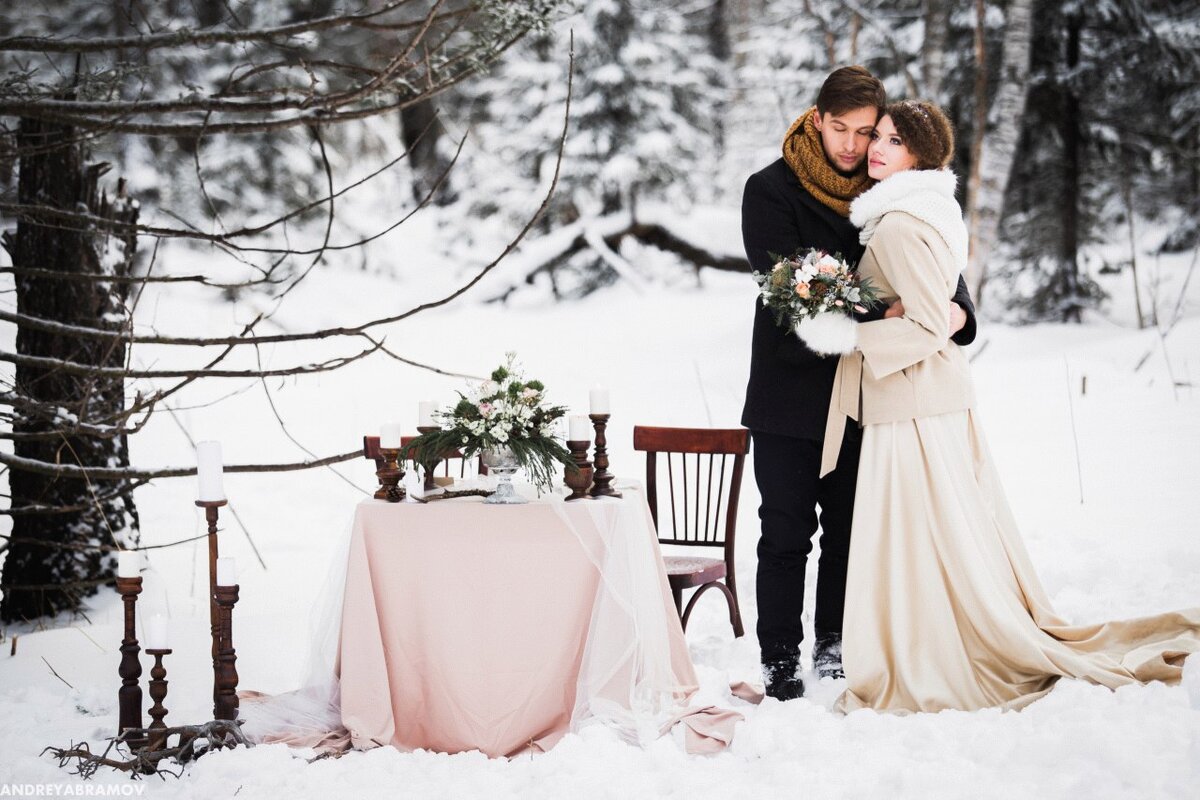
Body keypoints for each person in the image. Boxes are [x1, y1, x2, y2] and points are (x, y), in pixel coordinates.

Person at [805, 100, 1200, 712]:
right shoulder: (927, 213)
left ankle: (933, 647)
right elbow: (947, 313)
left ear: (921, 156)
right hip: (922, 401)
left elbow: (934, 323)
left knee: (922, 535)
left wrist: (850, 335)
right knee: (935, 535)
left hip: (910, 406)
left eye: (893, 141)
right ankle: (929, 633)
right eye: (876, 136)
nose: (877, 148)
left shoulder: (900, 224)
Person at [740, 66, 978, 700]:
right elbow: (789, 286)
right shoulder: (770, 191)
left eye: (866, 131)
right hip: (789, 390)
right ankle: (779, 659)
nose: (852, 145)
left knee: (849, 530)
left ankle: (835, 646)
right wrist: (883, 311)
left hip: (869, 390)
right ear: (817, 118)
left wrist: (959, 312)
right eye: (839, 128)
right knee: (786, 530)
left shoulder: (886, 188)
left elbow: (935, 256)